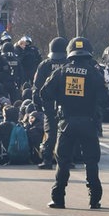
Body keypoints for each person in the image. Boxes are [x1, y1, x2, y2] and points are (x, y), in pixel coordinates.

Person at [41, 37, 109, 209]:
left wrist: (61, 96)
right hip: (88, 122)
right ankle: (94, 199)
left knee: (63, 162)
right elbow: (106, 102)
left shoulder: (61, 72)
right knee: (91, 161)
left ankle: (58, 198)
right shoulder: (95, 73)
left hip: (66, 123)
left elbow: (44, 94)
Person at [33, 37, 69, 169]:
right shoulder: (70, 64)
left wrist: (37, 104)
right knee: (67, 133)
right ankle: (68, 160)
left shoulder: (45, 65)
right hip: (68, 104)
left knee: (50, 133)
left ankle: (47, 160)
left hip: (49, 104)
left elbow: (36, 87)